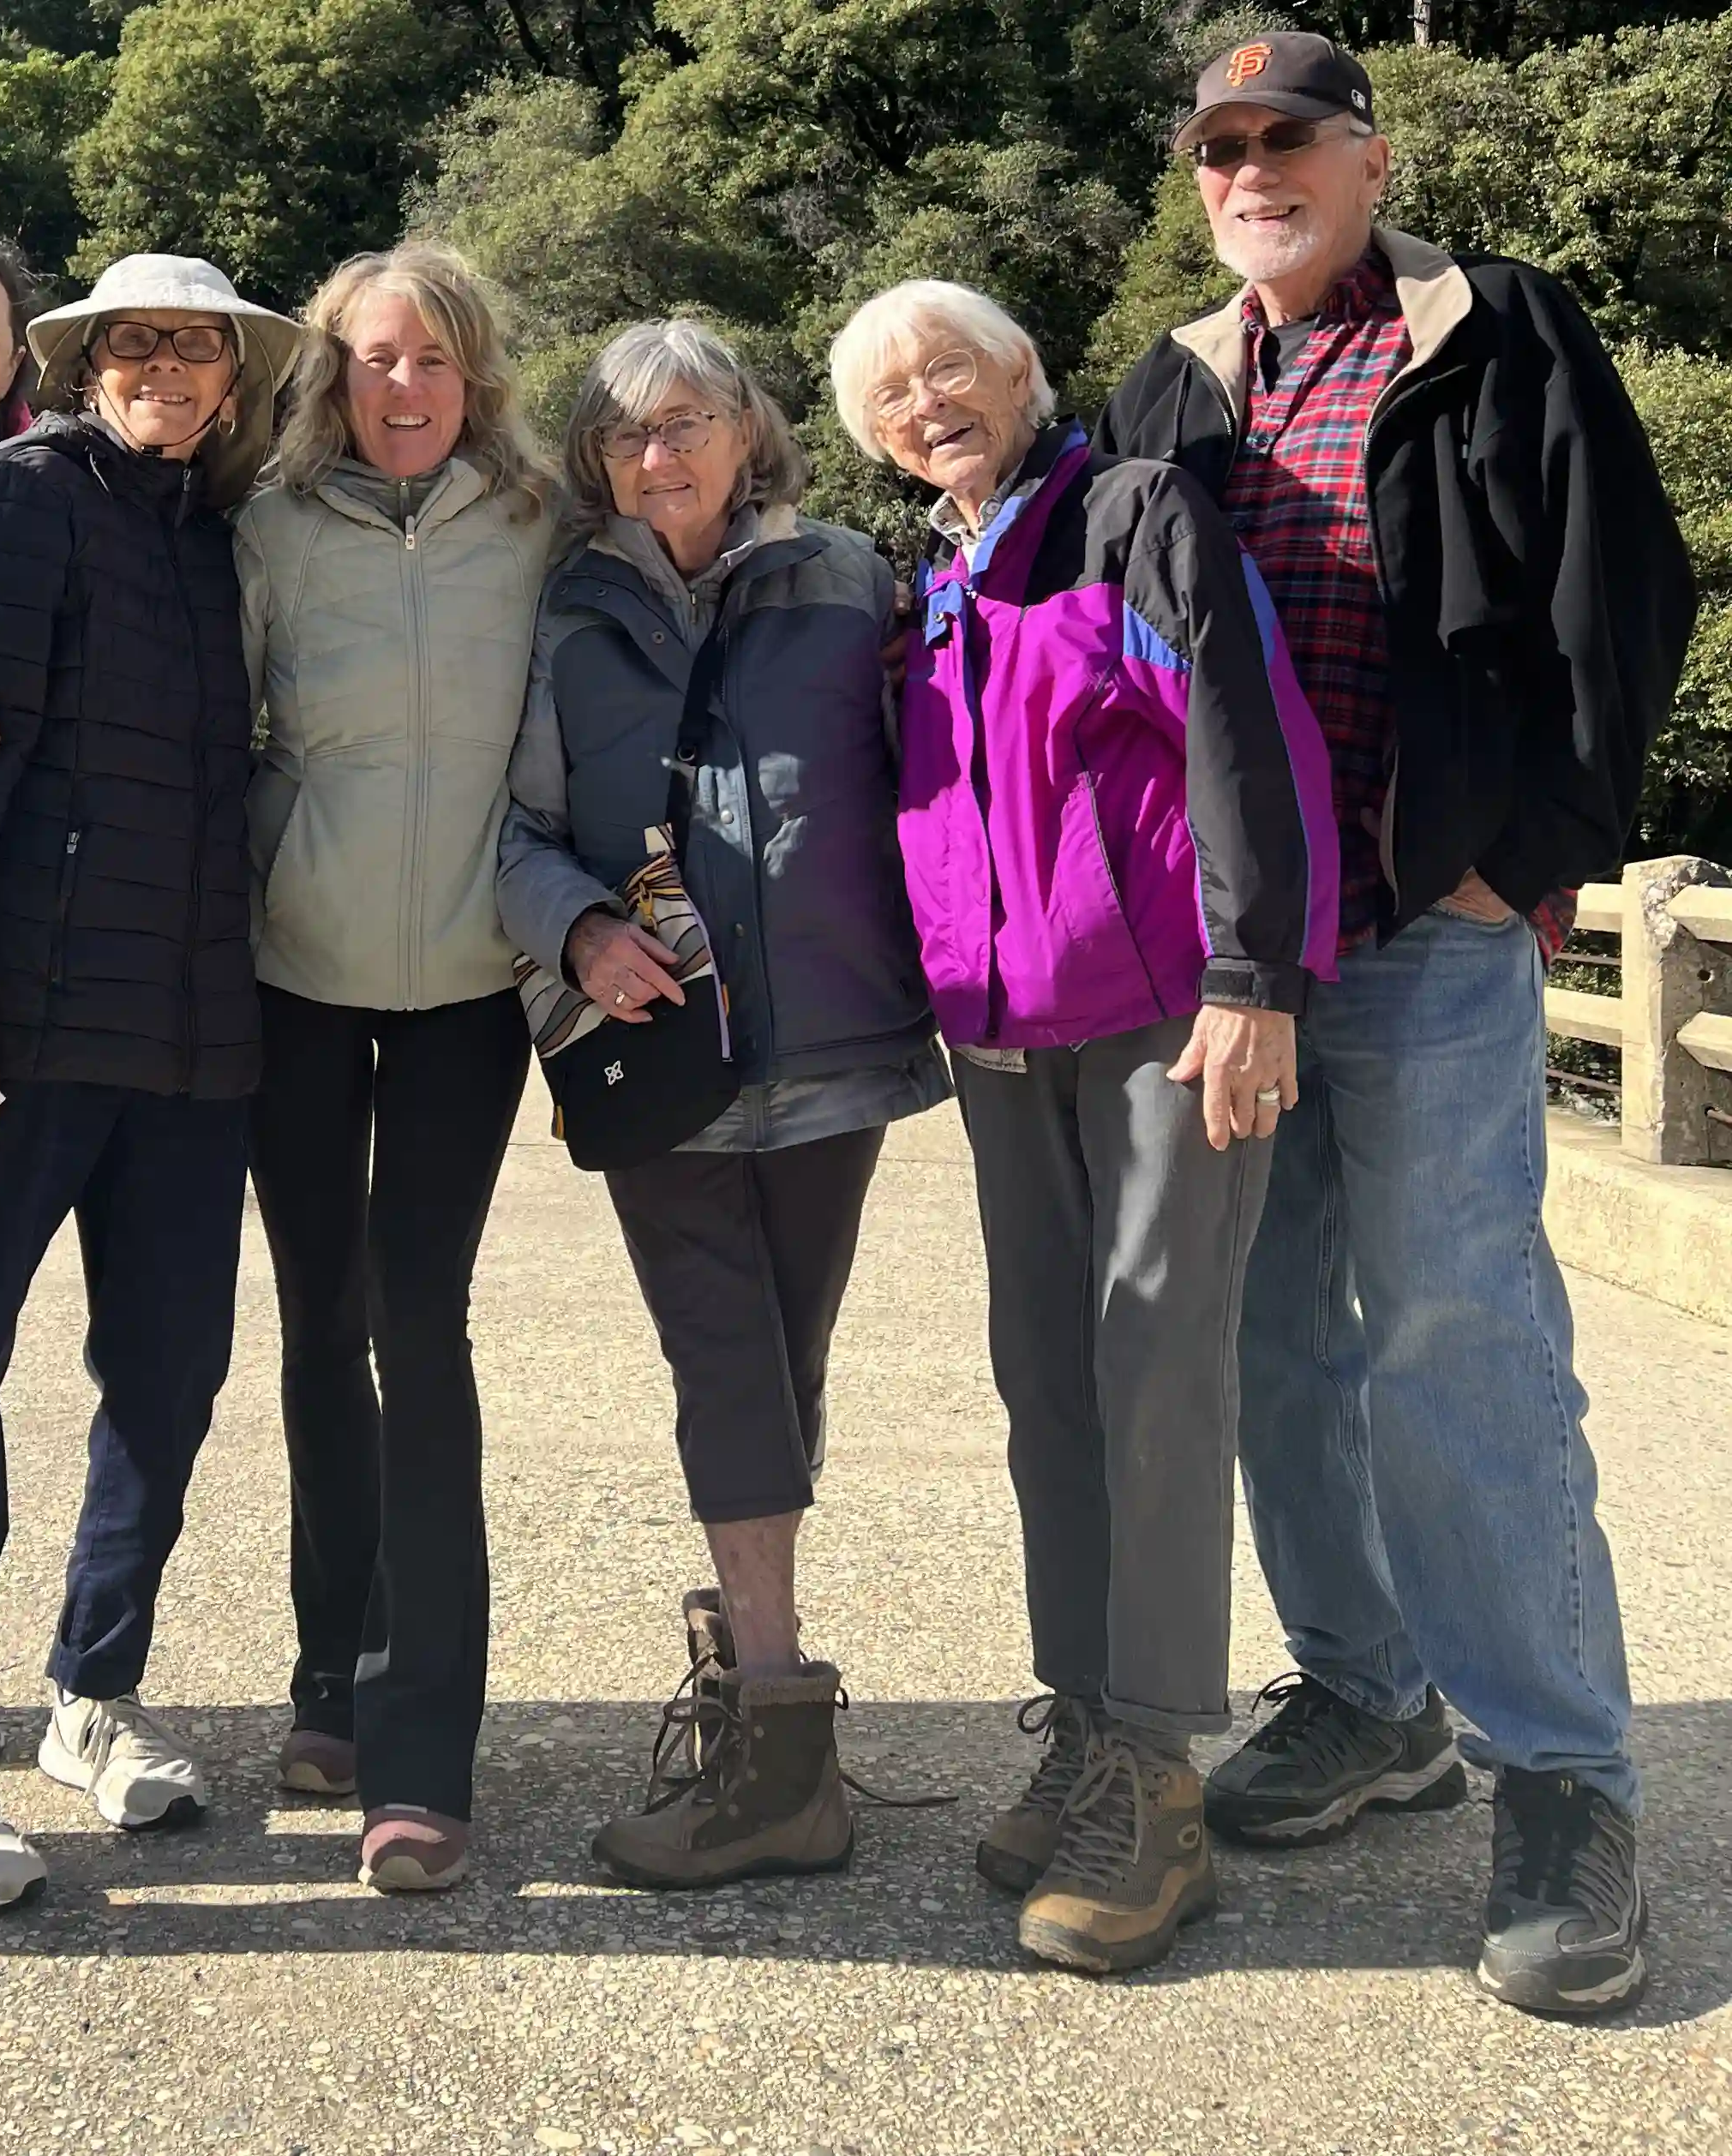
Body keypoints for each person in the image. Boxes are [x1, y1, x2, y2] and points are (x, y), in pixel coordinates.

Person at [1096, 31, 1696, 2015]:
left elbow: (1625, 591)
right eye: (1220, 148)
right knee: (1275, 1339)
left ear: (1368, 158)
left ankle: (1565, 1771)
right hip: (1245, 960)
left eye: (1288, 138)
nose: (1250, 171)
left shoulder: (1496, 329)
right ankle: (1369, 1696)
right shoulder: (1171, 382)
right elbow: (1118, 656)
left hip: (1434, 927)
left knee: (1458, 1336)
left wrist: (1528, 852)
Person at [834, 279, 1339, 1972]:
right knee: (1047, 1377)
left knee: (1156, 1367)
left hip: (1164, 1018)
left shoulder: (1133, 515)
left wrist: (1255, 977)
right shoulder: (938, 580)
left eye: (954, 369)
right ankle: (1088, 1717)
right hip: (1002, 1034)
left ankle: (1160, 1772)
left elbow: (1245, 736)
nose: (930, 403)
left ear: (1024, 375)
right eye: (895, 393)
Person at [0, 255, 300, 1914]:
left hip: (191, 1039)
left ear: (231, 376)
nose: (165, 365)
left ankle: (95, 1688)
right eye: (133, 341)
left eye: (195, 345)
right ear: (86, 364)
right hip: (17, 1033)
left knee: (169, 1377)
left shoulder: (214, 535)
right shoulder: (25, 497)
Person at [496, 319, 949, 1891]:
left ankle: (747, 1657)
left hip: (836, 1039)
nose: (660, 455)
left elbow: (942, 774)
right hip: (662, 1046)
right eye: (627, 434)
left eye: (687, 421)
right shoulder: (564, 610)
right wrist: (576, 929)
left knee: (786, 1357)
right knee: (723, 1353)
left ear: (749, 432)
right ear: (596, 463)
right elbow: (516, 825)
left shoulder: (850, 579)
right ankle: (777, 1729)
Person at [237, 243, 560, 1892]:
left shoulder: (543, 523)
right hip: (294, 979)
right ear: (333, 375)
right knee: (319, 1320)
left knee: (417, 1319)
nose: (406, 386)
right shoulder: (270, 526)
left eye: (434, 358)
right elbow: (216, 724)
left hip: (466, 987)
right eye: (377, 359)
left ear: (475, 373)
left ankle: (422, 1743)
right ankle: (330, 1678)